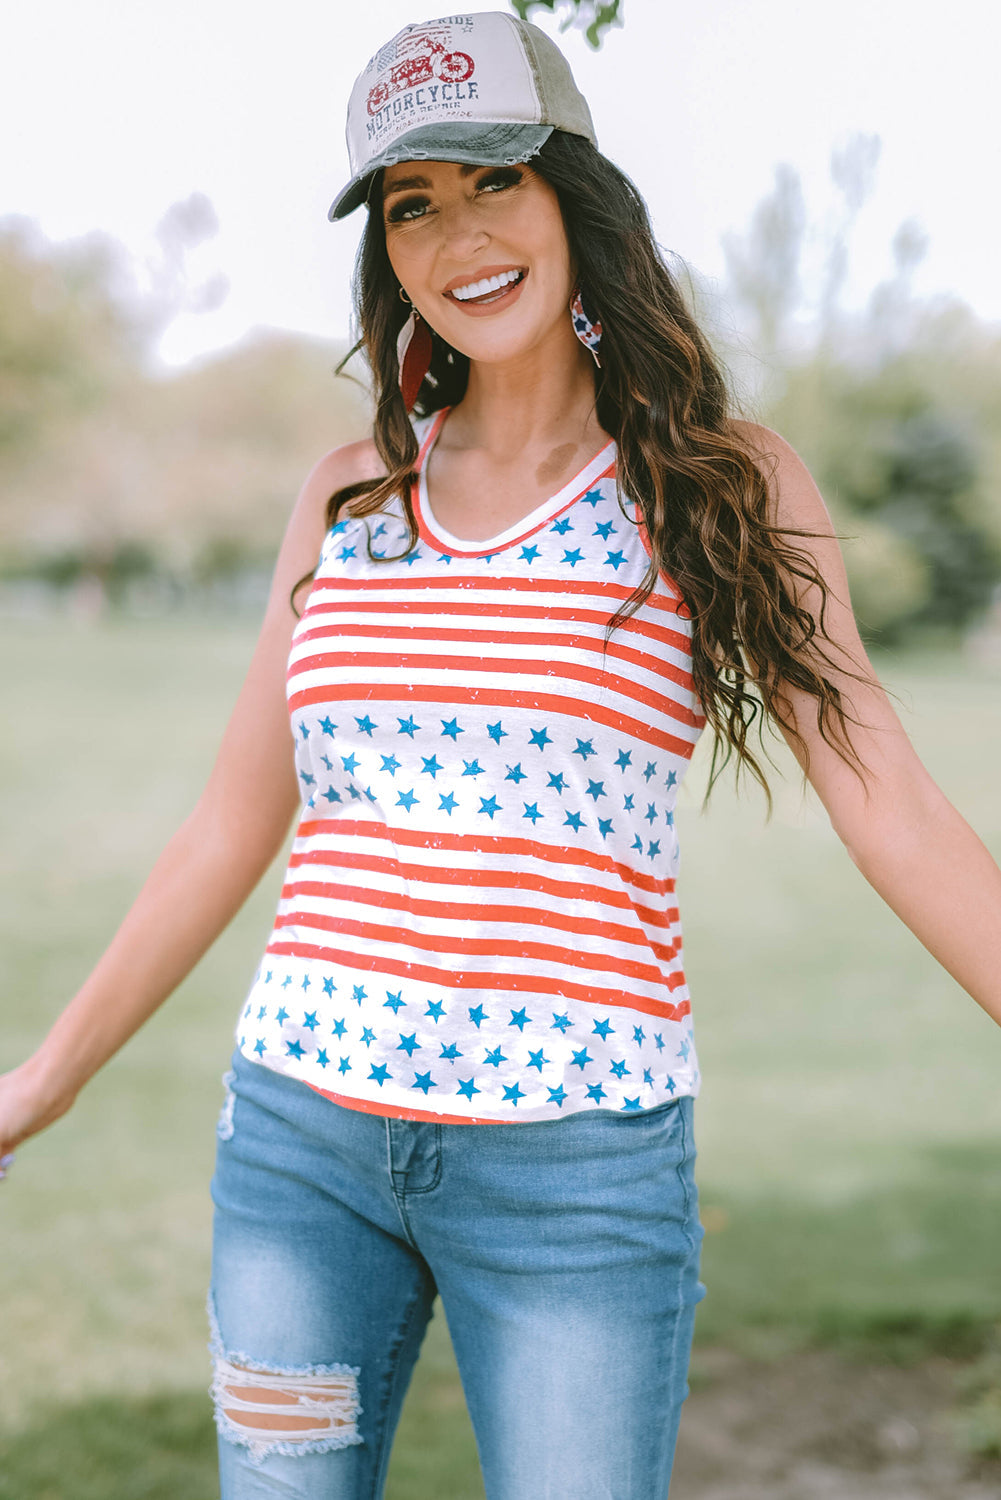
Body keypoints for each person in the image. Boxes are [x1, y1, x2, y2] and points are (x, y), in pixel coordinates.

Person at [2, 10, 999, 1498]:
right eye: (411, 204)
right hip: (300, 1148)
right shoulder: (348, 496)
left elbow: (890, 801)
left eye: (490, 180)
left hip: (575, 1175)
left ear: (572, 194)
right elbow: (231, 821)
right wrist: (41, 1084)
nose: (454, 233)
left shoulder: (718, 482)